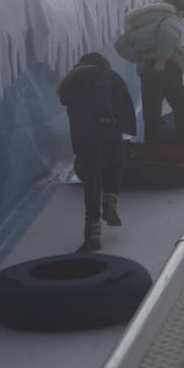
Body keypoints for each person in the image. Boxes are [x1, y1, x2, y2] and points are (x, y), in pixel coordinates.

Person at [56, 52, 134, 252]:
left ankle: (92, 230)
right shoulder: (99, 74)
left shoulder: (73, 82)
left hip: (85, 135)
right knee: (115, 164)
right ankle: (110, 202)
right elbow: (102, 91)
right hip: (107, 126)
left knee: (92, 179)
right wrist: (105, 114)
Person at [114, 0, 184, 145]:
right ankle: (183, 143)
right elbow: (167, 34)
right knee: (180, 108)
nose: (182, 20)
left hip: (148, 71)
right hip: (168, 67)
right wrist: (162, 60)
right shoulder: (170, 17)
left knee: (151, 114)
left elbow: (120, 45)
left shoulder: (140, 23)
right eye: (182, 15)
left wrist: (140, 57)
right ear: (176, 10)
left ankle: (151, 148)